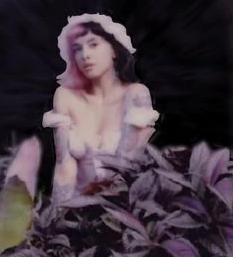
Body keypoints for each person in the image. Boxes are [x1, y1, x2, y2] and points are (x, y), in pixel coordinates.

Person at [42, 14, 159, 202]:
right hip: (75, 208)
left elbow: (126, 165)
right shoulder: (65, 96)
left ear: (114, 50)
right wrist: (58, 215)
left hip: (123, 206)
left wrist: (105, 212)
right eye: (77, 49)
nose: (85, 55)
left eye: (93, 44)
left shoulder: (136, 94)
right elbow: (64, 166)